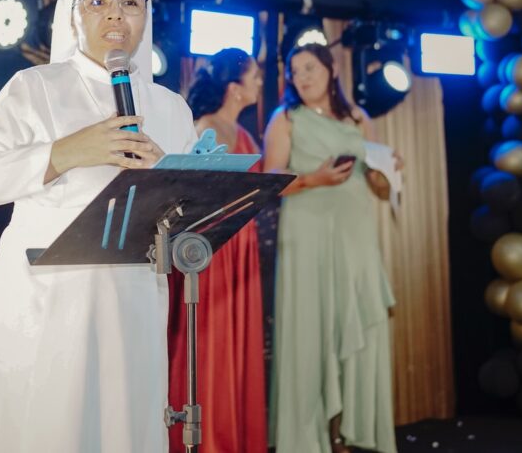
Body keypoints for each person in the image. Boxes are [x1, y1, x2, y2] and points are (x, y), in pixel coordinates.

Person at [0, 0, 198, 453]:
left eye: (130, 2)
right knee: (48, 424)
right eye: (98, 1)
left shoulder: (171, 106)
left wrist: (163, 176)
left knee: (123, 422)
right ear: (72, 16)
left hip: (133, 293)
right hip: (47, 293)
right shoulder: (34, 87)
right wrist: (65, 152)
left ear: (146, 17)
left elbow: (190, 215)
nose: (115, 14)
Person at [263, 43, 398, 453]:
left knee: (353, 322)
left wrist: (390, 171)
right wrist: (313, 179)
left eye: (310, 68)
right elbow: (270, 182)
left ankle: (349, 431)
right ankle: (309, 436)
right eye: (295, 71)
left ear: (331, 68)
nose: (302, 77)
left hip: (355, 232)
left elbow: (378, 185)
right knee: (310, 328)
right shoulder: (286, 118)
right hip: (306, 232)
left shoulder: (359, 118)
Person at [167, 47, 267, 453]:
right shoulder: (204, 127)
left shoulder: (244, 134)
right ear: (234, 88)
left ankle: (234, 437)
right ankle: (208, 440)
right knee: (210, 340)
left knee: (238, 343)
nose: (260, 82)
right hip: (213, 246)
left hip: (243, 246)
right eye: (255, 76)